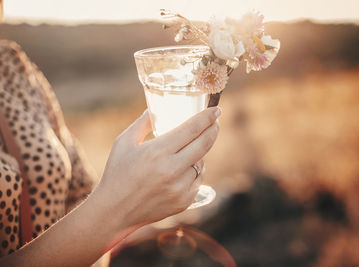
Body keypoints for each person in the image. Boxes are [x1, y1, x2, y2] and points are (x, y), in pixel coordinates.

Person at [0, 1, 221, 266]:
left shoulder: (13, 67)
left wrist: (130, 205)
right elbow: (101, 208)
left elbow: (80, 194)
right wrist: (117, 207)